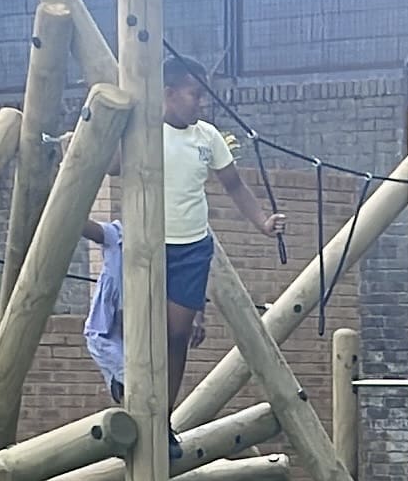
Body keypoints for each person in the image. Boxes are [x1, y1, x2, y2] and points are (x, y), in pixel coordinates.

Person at [152, 59, 285, 384]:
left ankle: (164, 419)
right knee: (142, 329)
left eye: (204, 95)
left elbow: (235, 185)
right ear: (169, 94)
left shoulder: (207, 136)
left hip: (192, 247)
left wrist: (262, 223)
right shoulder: (147, 132)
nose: (202, 102)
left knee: (178, 334)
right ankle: (137, 399)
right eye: (194, 94)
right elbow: (112, 168)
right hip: (150, 244)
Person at [82, 215, 128, 401]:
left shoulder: (166, 246)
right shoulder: (116, 235)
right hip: (108, 326)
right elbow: (88, 228)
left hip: (139, 321)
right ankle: (120, 388)